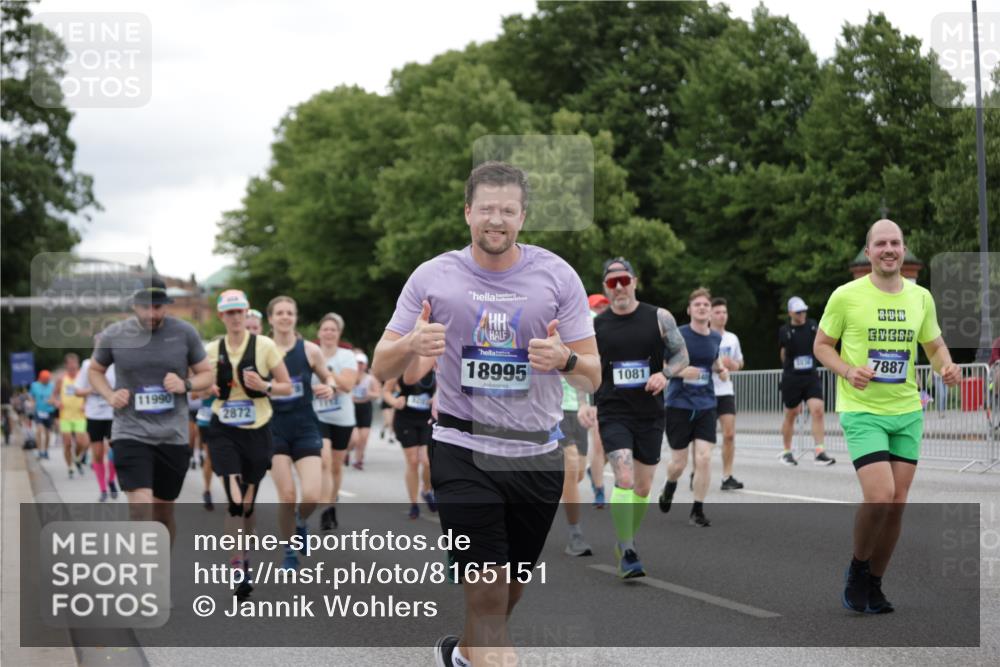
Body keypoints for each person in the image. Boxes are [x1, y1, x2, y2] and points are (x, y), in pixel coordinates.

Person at [371, 161, 600, 666]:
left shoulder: (557, 276)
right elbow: (381, 365)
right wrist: (410, 343)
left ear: (523, 217)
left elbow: (593, 376)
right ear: (468, 212)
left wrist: (565, 360)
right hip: (462, 448)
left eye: (508, 211)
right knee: (489, 593)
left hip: (537, 455)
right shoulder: (433, 276)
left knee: (509, 591)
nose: (496, 220)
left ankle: (462, 656)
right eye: (487, 209)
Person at [813, 219, 961, 614]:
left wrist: (946, 366)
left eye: (895, 242)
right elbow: (822, 345)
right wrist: (848, 371)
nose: (889, 249)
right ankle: (858, 568)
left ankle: (875, 584)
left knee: (897, 503)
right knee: (879, 496)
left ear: (904, 248)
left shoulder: (920, 297)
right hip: (863, 410)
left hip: (907, 411)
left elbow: (935, 346)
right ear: (868, 252)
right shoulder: (846, 296)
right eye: (881, 244)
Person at [89, 276, 214, 543]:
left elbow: (207, 374)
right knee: (140, 509)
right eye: (145, 307)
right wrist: (109, 394)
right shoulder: (115, 334)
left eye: (157, 307)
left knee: (162, 514)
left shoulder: (185, 332)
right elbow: (95, 370)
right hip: (130, 432)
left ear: (166, 305)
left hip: (172, 436)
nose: (151, 314)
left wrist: (185, 384)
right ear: (134, 305)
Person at [585, 257, 689, 577]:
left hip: (650, 413)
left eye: (624, 281)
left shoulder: (659, 317)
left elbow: (681, 354)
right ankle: (628, 549)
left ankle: (626, 538)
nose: (619, 287)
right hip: (613, 411)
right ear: (605, 287)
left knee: (642, 488)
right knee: (625, 478)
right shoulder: (596, 326)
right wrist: (587, 402)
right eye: (612, 282)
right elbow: (589, 368)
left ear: (634, 282)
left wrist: (665, 374)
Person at [204, 289, 292, 598]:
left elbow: (286, 386)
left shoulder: (264, 346)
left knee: (248, 505)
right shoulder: (211, 350)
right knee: (235, 501)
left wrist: (265, 385)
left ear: (246, 313)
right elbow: (196, 388)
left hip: (258, 430)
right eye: (230, 312)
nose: (235, 317)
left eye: (239, 311)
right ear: (222, 316)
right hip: (223, 429)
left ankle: (244, 553)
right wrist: (206, 387)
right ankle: (237, 566)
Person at [266, 295, 334, 570]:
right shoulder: (261, 350)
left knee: (312, 495)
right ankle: (289, 551)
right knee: (287, 495)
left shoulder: (310, 350)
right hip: (273, 427)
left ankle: (300, 520)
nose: (285, 317)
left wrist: (329, 386)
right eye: (279, 313)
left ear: (295, 317)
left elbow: (328, 376)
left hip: (305, 425)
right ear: (270, 319)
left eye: (289, 313)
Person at [659, 288, 729, 528]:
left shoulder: (715, 338)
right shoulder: (678, 335)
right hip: (679, 404)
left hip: (706, 404)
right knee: (678, 464)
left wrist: (721, 369)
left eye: (705, 305)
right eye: (697, 304)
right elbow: (663, 362)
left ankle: (697, 510)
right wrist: (680, 371)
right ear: (689, 310)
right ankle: (669, 485)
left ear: (710, 311)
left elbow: (714, 359)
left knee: (704, 457)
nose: (701, 308)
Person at [313, 312, 358, 531]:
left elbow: (348, 385)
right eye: (325, 329)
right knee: (325, 459)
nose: (329, 333)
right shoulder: (311, 353)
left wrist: (328, 374)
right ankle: (324, 509)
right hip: (317, 415)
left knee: (336, 466)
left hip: (342, 417)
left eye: (333, 329)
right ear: (319, 332)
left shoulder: (346, 356)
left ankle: (331, 504)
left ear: (339, 334)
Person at [778, 296, 836, 466]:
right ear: (790, 313)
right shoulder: (785, 330)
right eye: (798, 312)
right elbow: (782, 354)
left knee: (818, 410)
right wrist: (788, 369)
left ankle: (819, 451)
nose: (802, 314)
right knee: (792, 413)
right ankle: (787, 451)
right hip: (792, 377)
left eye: (803, 311)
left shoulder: (812, 326)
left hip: (811, 376)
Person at [381, 367, 437, 519]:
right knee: (413, 461)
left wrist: (437, 397)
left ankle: (426, 491)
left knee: (427, 461)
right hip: (405, 420)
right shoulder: (402, 367)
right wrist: (394, 401)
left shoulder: (435, 368)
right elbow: (386, 391)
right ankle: (414, 504)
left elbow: (445, 389)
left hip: (426, 420)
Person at [710, 297, 745, 490]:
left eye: (724, 312)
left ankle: (727, 476)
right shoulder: (704, 336)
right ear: (710, 315)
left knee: (729, 435)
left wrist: (734, 364)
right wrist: (716, 366)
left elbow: (740, 362)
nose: (722, 316)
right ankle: (697, 471)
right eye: (717, 312)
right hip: (705, 391)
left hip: (725, 391)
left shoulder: (732, 338)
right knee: (704, 439)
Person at [77, 351, 119, 501]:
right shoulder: (87, 365)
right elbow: (77, 391)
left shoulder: (116, 363)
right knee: (98, 454)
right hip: (94, 415)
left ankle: (111, 480)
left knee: (116, 450)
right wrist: (93, 389)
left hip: (113, 413)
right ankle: (103, 489)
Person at [558, 374, 592, 556]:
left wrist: (586, 404)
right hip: (555, 409)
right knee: (571, 465)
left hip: (578, 410)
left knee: (577, 475)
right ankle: (575, 535)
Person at [584, 293, 609, 508]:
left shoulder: (613, 328)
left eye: (604, 306)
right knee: (599, 443)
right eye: (597, 306)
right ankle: (599, 490)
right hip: (596, 391)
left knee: (613, 447)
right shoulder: (586, 329)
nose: (601, 310)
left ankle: (595, 471)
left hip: (617, 392)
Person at [52, 353, 90, 478]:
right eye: (70, 364)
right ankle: (70, 467)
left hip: (79, 415)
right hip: (65, 416)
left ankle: (77, 459)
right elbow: (53, 397)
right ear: (66, 365)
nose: (73, 367)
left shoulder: (82, 378)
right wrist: (57, 402)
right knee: (67, 443)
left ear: (78, 365)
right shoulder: (61, 379)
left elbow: (89, 393)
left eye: (75, 364)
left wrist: (86, 404)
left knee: (81, 443)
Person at [349, 349, 379, 471]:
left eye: (361, 363)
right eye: (357, 363)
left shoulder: (370, 379)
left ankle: (358, 460)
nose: (359, 366)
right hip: (352, 408)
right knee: (355, 438)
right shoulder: (348, 376)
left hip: (365, 408)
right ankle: (346, 451)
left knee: (364, 438)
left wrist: (369, 394)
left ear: (365, 365)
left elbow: (377, 394)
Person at [29, 370, 55, 459]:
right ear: (41, 379)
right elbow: (31, 396)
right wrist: (32, 402)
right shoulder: (34, 385)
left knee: (47, 433)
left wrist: (52, 400)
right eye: (45, 379)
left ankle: (46, 450)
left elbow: (55, 396)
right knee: (39, 431)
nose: (46, 381)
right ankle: (40, 451)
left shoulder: (52, 385)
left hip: (49, 411)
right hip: (38, 411)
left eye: (48, 379)